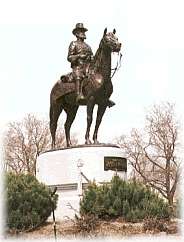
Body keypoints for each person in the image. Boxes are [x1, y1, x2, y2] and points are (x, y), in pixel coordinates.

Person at [67, 23, 93, 102]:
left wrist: (92, 58)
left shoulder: (88, 46)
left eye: (83, 31)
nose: (83, 33)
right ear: (76, 33)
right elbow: (69, 57)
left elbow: (92, 57)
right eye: (81, 31)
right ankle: (78, 95)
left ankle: (103, 96)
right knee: (78, 76)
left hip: (88, 68)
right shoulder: (73, 44)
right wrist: (78, 56)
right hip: (78, 67)